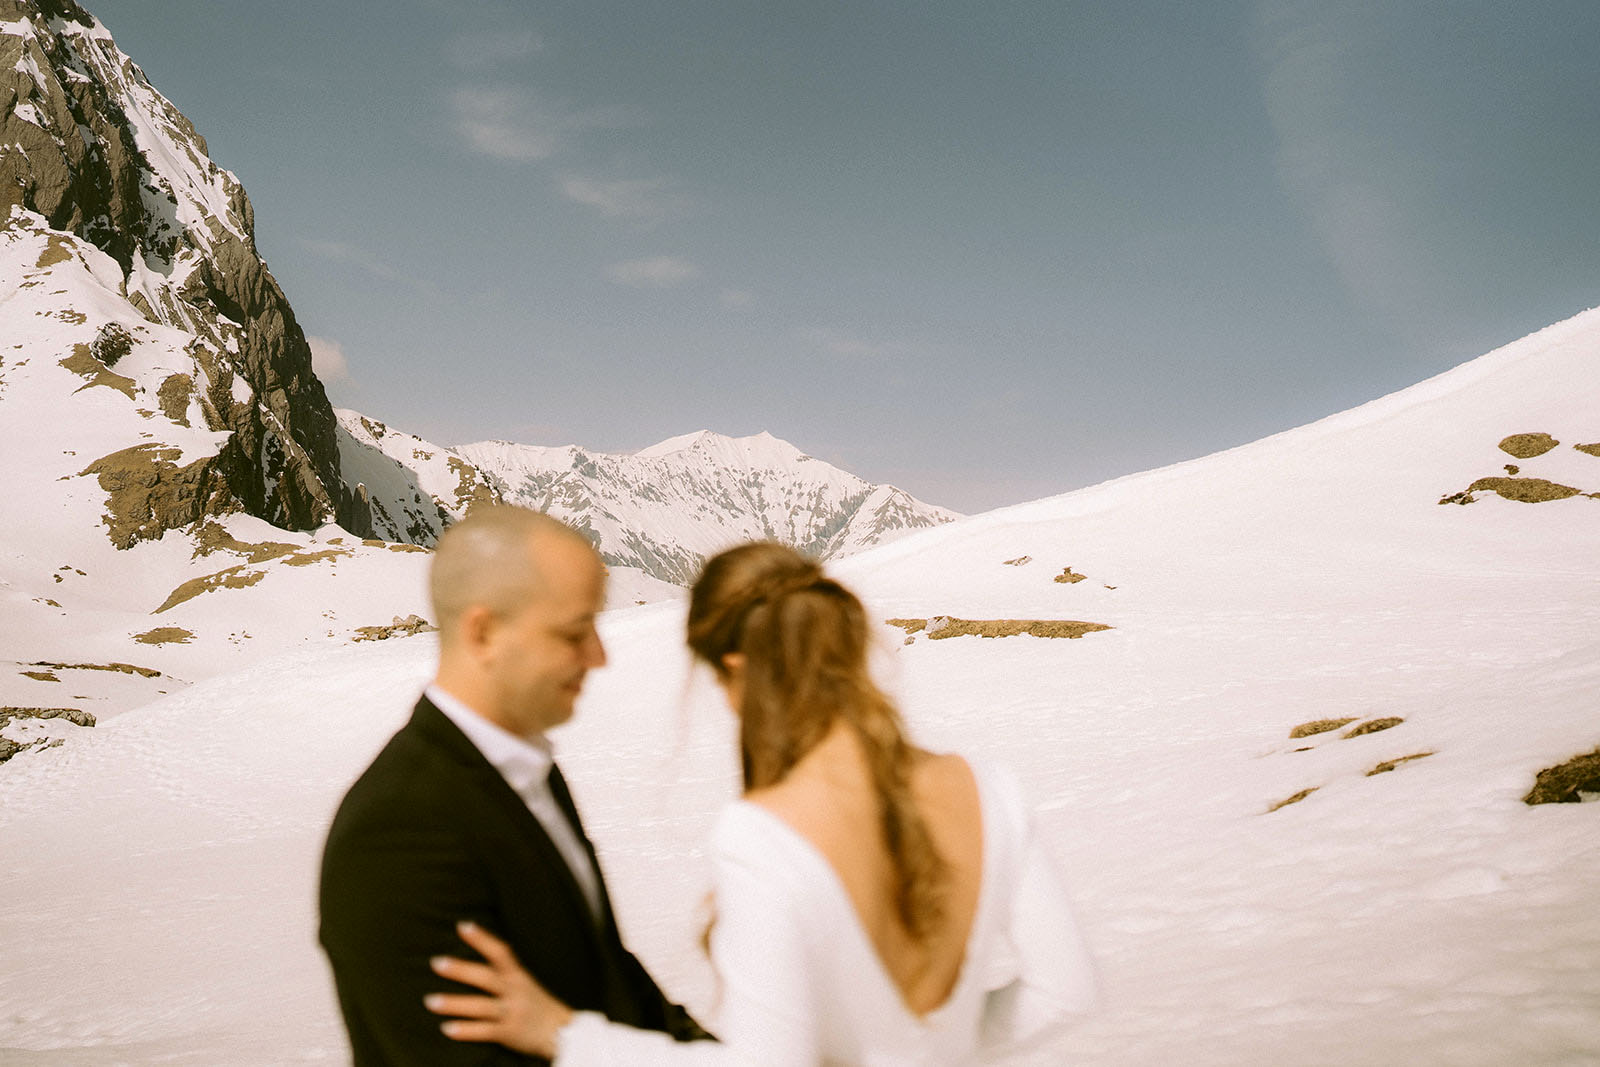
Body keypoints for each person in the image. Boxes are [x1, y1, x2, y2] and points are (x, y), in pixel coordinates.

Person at [425, 541, 1096, 1064]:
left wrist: (562, 1034)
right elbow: (1066, 993)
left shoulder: (763, 834)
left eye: (717, 679)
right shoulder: (989, 786)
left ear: (737, 666)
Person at [318, 506, 710, 1066]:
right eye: (575, 632)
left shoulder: (530, 773)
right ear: (484, 633)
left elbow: (613, 981)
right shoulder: (399, 827)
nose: (600, 657)